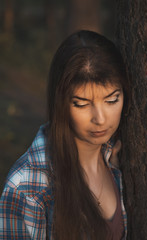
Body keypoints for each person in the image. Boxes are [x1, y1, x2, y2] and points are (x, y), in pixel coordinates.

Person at [0, 30, 130, 240]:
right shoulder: (27, 187)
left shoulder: (118, 157)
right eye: (81, 104)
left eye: (112, 100)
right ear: (60, 103)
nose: (100, 119)